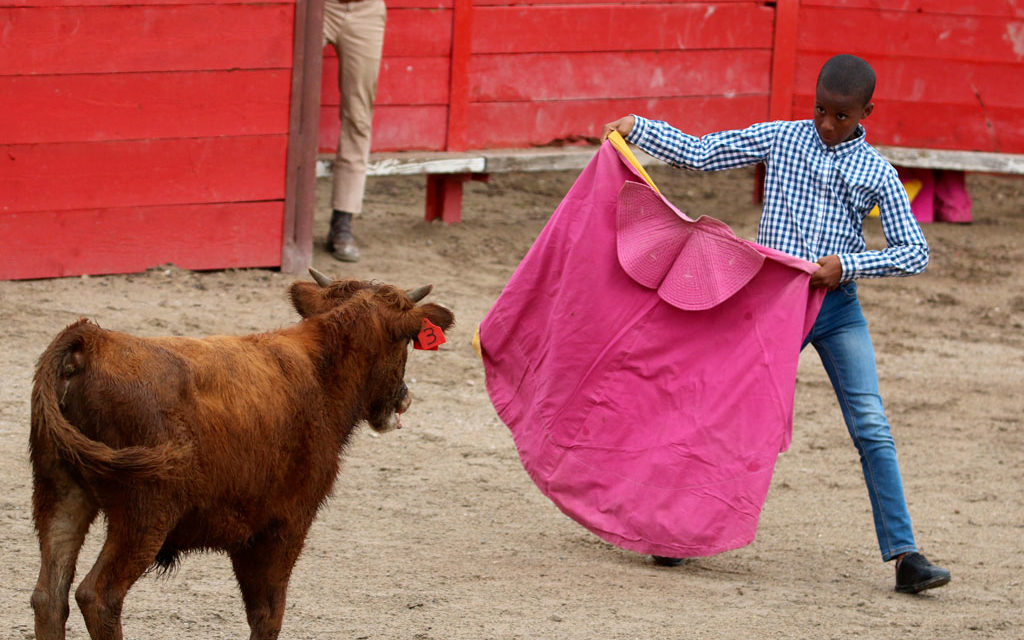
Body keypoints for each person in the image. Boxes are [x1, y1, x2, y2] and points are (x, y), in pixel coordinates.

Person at [602, 54, 951, 594]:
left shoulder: (877, 171)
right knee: (722, 413)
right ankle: (675, 532)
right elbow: (702, 153)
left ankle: (906, 557)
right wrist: (640, 129)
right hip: (770, 306)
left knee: (871, 424)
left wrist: (848, 266)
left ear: (866, 112)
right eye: (820, 110)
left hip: (836, 309)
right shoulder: (784, 138)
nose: (826, 123)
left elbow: (915, 252)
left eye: (841, 115)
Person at [322, 0, 387, 262]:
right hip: (319, 6)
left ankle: (343, 221)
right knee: (286, 97)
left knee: (358, 118)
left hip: (365, 10)